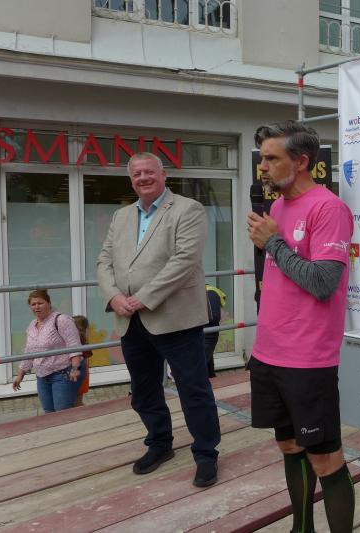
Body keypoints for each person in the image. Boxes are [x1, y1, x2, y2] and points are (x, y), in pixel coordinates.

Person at [247, 121, 355, 533]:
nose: (263, 167)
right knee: (290, 446)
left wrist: (273, 243)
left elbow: (323, 282)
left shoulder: (329, 209)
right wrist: (273, 241)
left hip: (308, 361)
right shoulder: (276, 208)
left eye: (272, 158)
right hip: (268, 353)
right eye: (262, 158)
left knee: (325, 459)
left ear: (302, 161)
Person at [97, 152, 221, 488]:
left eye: (149, 171)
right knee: (143, 390)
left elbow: (184, 261)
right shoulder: (122, 216)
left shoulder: (188, 209)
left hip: (175, 318)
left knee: (193, 389)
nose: (143, 177)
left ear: (163, 174)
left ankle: (206, 454)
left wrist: (144, 297)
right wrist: (113, 296)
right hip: (130, 319)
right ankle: (160, 443)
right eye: (136, 173)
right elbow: (104, 261)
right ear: (131, 180)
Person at [12, 290, 83, 413]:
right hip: (42, 377)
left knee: (62, 413)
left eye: (40, 303)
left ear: (49, 303)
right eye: (33, 304)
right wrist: (20, 376)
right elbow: (29, 352)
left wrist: (75, 368)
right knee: (49, 413)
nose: (36, 307)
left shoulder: (61, 320)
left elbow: (74, 345)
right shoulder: (32, 325)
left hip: (62, 374)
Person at [204, 283, 226, 378]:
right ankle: (212, 378)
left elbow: (214, 317)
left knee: (199, 364)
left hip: (208, 334)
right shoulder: (205, 291)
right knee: (207, 363)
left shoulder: (211, 293)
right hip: (204, 333)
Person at [72, 315, 92, 406]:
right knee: (77, 400)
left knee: (77, 400)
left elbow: (83, 359)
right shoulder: (81, 340)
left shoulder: (81, 341)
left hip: (79, 373)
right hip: (79, 372)